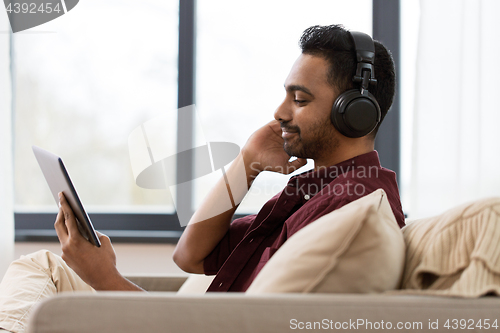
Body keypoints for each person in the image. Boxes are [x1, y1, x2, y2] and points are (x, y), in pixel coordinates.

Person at [0, 24, 404, 332]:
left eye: (299, 100)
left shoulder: (349, 203)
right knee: (42, 267)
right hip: (189, 318)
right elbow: (189, 256)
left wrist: (103, 276)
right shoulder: (313, 192)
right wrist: (247, 162)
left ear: (355, 112)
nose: (280, 112)